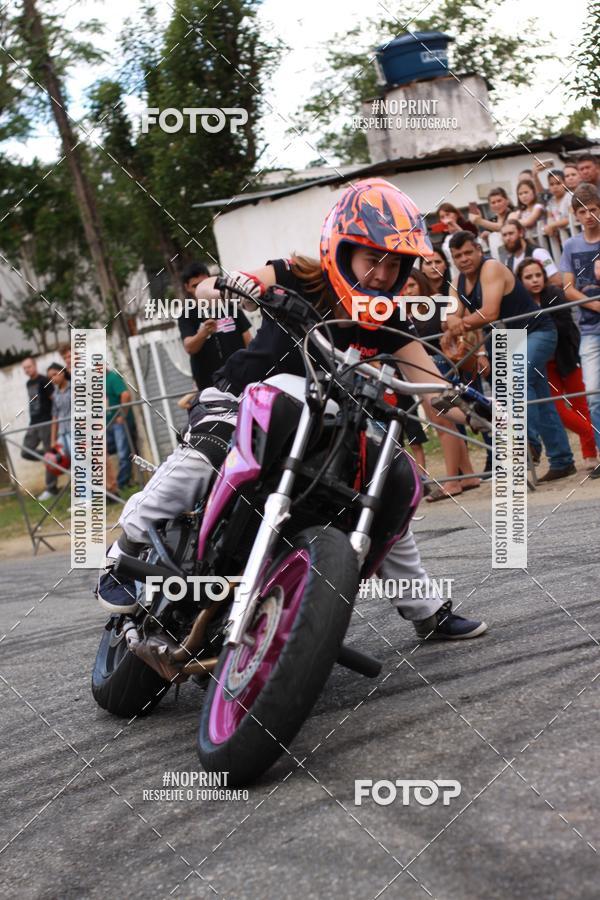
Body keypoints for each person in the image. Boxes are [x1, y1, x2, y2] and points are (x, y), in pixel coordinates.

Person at [97, 179, 487, 640]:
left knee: (387, 481)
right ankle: (126, 550)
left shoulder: (389, 319)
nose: (383, 274)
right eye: (373, 258)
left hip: (326, 429)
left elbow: (433, 387)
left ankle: (426, 610)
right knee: (211, 448)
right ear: (343, 248)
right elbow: (212, 289)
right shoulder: (297, 276)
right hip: (246, 401)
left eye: (395, 264)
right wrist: (226, 285)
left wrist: (487, 416)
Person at [447, 231, 575, 481]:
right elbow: (450, 315)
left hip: (538, 331)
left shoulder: (491, 268)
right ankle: (562, 460)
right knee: (539, 398)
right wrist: (454, 321)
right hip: (511, 339)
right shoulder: (457, 281)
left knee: (517, 378)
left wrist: (457, 323)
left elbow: (490, 312)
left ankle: (528, 442)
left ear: (478, 250)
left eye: (467, 252)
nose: (463, 259)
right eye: (457, 255)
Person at [405, 267, 484, 501]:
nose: (408, 291)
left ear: (421, 283)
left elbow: (464, 324)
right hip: (422, 369)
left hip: (439, 366)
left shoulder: (437, 303)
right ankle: (468, 475)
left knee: (443, 423)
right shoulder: (404, 311)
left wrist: (479, 350)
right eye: (404, 287)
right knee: (443, 423)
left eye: (412, 285)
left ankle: (452, 482)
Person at [517, 257, 597, 468]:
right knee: (557, 410)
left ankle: (590, 456)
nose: (534, 280)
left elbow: (565, 325)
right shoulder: (520, 302)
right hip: (544, 364)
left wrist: (539, 327)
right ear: (520, 280)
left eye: (538, 275)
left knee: (581, 405)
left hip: (566, 357)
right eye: (528, 277)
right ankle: (593, 433)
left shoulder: (554, 294)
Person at [560, 183, 600, 476]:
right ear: (575, 215)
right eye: (582, 211)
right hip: (589, 328)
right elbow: (567, 288)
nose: (589, 216)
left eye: (594, 209)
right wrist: (596, 305)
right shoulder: (571, 245)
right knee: (594, 394)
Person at [178, 261, 252, 391]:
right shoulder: (187, 314)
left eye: (204, 284)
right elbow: (189, 347)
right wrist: (203, 333)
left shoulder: (229, 305)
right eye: (195, 286)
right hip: (210, 386)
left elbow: (248, 339)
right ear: (187, 287)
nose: (201, 289)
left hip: (241, 378)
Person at [20, 357, 57, 501]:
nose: (26, 370)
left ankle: (51, 488)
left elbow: (54, 399)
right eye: (24, 368)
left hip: (46, 421)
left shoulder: (44, 380)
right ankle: (48, 456)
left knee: (50, 455)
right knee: (26, 451)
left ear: (35, 365)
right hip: (33, 422)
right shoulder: (29, 383)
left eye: (29, 367)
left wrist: (55, 420)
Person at [500, 219, 562, 286]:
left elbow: (557, 281)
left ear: (521, 233)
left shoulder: (538, 253)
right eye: (504, 235)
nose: (508, 238)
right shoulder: (509, 261)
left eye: (511, 233)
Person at [106, 366, 137, 495]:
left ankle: (122, 482)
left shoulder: (112, 377)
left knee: (124, 453)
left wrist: (122, 414)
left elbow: (125, 395)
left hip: (118, 423)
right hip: (107, 424)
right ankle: (113, 485)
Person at [468, 187, 515, 261]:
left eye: (499, 201)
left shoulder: (513, 214)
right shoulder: (492, 221)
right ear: (490, 206)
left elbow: (502, 227)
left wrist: (479, 221)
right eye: (493, 202)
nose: (497, 204)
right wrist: (487, 238)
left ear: (507, 201)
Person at [47, 363, 72, 458]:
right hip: (62, 434)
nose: (52, 379)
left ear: (62, 373)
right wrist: (53, 440)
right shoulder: (55, 394)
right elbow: (55, 417)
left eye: (54, 374)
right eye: (50, 377)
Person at [542, 170, 571, 245]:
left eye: (558, 183)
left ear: (565, 183)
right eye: (551, 184)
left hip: (572, 233)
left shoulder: (570, 197)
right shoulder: (550, 202)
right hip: (558, 238)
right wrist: (550, 227)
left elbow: (571, 218)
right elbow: (549, 219)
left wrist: (552, 225)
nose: (555, 187)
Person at [513, 179, 546, 243]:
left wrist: (517, 221)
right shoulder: (520, 212)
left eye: (526, 192)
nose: (524, 196)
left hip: (542, 240)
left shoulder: (538, 207)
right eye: (520, 194)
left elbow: (529, 222)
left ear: (534, 191)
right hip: (528, 242)